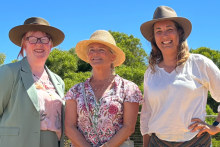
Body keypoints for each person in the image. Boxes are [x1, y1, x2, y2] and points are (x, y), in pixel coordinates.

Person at [140, 6, 220, 146]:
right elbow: (147, 114)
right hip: (158, 142)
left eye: (169, 29)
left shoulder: (199, 63)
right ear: (154, 37)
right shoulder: (150, 72)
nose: (164, 35)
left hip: (197, 142)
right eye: (158, 31)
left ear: (179, 33)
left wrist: (216, 126)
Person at [64, 30, 143, 147]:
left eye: (101, 50)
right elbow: (69, 127)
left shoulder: (129, 88)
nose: (95, 53)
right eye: (91, 50)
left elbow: (129, 127)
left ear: (113, 56)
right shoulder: (75, 91)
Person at [0, 17, 65, 147]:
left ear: (51, 44)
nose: (39, 43)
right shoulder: (8, 72)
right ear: (24, 43)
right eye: (32, 38)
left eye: (44, 39)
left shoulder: (58, 81)